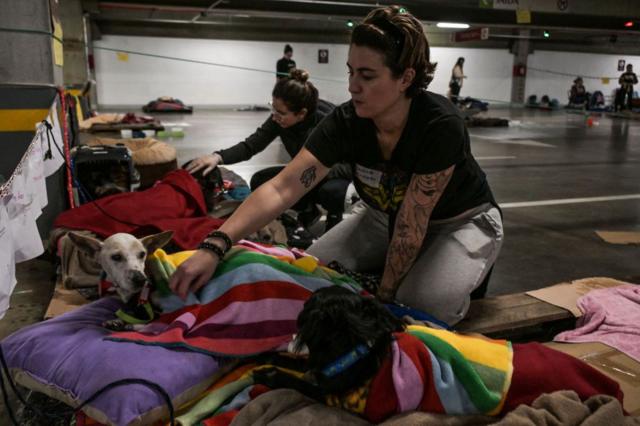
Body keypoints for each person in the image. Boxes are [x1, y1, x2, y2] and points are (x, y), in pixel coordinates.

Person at [171, 5, 503, 326]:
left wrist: (383, 301)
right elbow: (281, 187)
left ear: (406, 78)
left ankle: (464, 271)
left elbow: (410, 226)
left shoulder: (439, 124)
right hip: (380, 217)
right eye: (351, 72)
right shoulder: (347, 120)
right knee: (310, 275)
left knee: (416, 305)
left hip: (457, 222)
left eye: (367, 76)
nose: (352, 86)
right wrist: (214, 245)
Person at [186, 69, 350, 230]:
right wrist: (217, 157)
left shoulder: (329, 123)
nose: (274, 116)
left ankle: (334, 215)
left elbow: (352, 166)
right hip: (303, 172)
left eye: (280, 112)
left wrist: (315, 173)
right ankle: (308, 210)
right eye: (273, 107)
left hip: (334, 175)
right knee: (260, 180)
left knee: (330, 191)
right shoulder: (279, 119)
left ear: (301, 114)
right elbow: (251, 145)